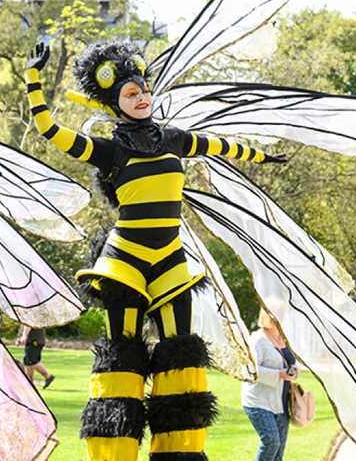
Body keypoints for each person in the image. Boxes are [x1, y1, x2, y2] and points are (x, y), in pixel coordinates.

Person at [25, 40, 286, 460]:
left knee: (180, 356)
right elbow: (50, 132)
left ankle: (180, 454)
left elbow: (221, 147)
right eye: (131, 93)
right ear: (116, 102)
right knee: (121, 358)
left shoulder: (174, 139)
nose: (142, 96)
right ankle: (113, 453)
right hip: (124, 263)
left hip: (170, 261)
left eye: (144, 89)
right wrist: (34, 79)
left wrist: (260, 155)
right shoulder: (109, 150)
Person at [242, 308, 298, 461]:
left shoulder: (283, 338)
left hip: (281, 402)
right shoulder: (257, 339)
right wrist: (278, 374)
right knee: (272, 442)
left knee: (278, 452)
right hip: (259, 402)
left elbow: (289, 361)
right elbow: (248, 369)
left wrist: (294, 370)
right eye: (276, 314)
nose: (281, 317)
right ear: (267, 315)